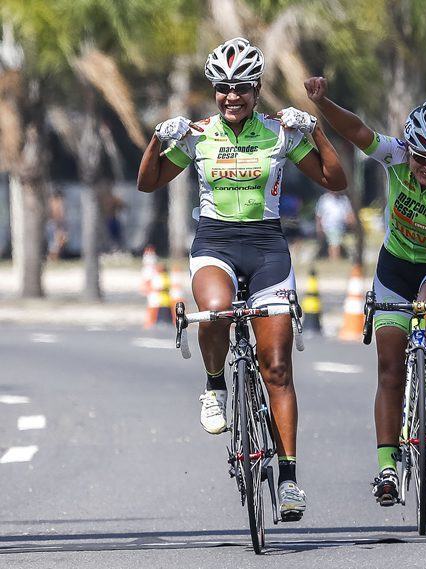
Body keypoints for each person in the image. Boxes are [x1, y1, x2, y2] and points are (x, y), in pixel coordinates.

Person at [136, 38, 347, 521]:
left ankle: (289, 480)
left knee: (277, 367)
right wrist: (156, 139)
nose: (232, 97)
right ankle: (215, 385)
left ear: (256, 89)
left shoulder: (279, 133)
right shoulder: (197, 135)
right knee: (215, 311)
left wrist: (314, 133)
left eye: (242, 88)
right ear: (215, 90)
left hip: (268, 248)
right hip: (216, 244)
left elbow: (336, 182)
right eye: (223, 88)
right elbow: (147, 183)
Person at [306, 76, 426, 506]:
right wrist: (324, 102)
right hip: (395, 267)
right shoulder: (395, 155)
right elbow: (356, 130)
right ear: (410, 148)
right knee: (389, 364)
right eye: (422, 158)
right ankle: (386, 468)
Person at [315, 190, 355, 260]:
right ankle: (335, 259)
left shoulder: (344, 199)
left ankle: (335, 258)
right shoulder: (324, 199)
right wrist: (319, 227)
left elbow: (349, 213)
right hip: (330, 226)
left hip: (343, 226)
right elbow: (319, 215)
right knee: (334, 243)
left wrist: (351, 224)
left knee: (337, 244)